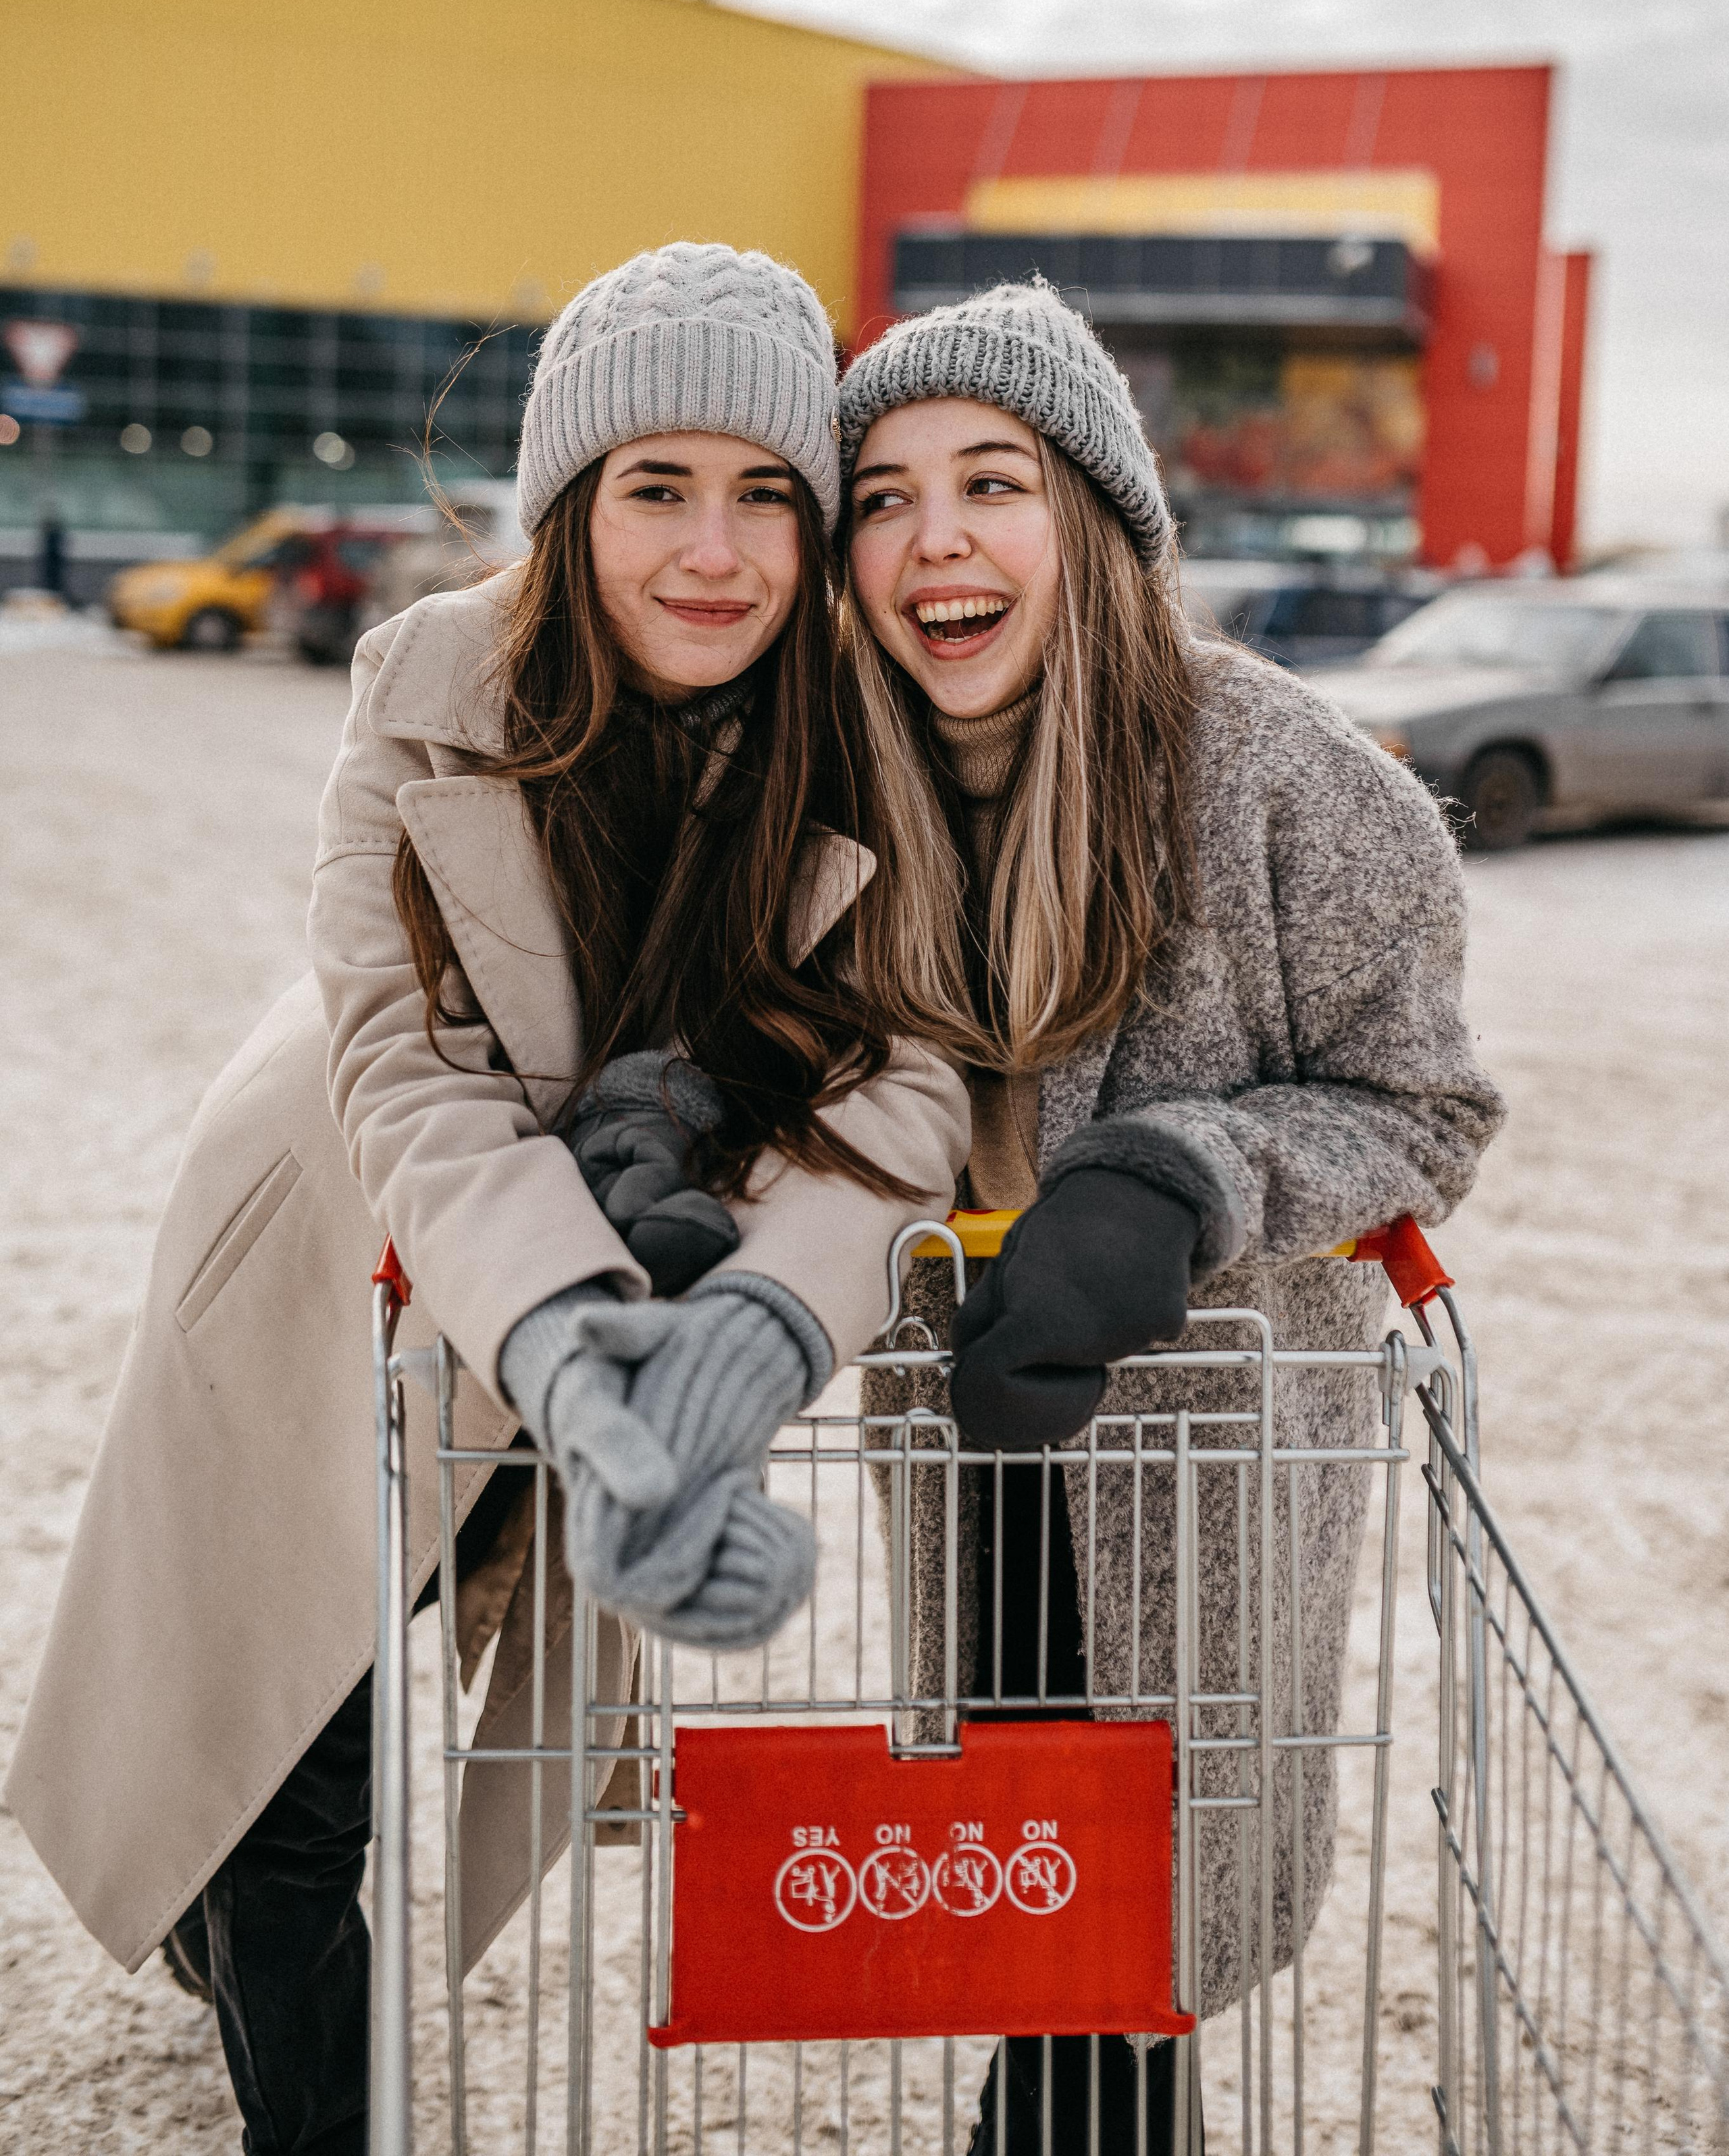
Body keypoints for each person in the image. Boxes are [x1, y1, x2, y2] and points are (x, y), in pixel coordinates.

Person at [9, 245, 969, 2156]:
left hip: (608, 1270)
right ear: (567, 504)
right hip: (339, 1252)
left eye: (766, 492)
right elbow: (408, 1065)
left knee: (366, 1687)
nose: (716, 551)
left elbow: (909, 1076)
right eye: (655, 489)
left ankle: (251, 1938)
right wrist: (565, 1331)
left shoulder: (861, 739)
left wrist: (745, 1335)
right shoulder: (433, 688)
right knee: (290, 1756)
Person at [840, 279, 1505, 2155]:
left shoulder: (1281, 773)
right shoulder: (837, 785)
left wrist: (1183, 1178)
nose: (936, 537)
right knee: (1015, 1869)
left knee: (1147, 1897)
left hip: (1201, 1466)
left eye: (993, 481)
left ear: (1102, 521)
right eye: (883, 498)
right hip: (958, 1438)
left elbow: (1423, 1106)